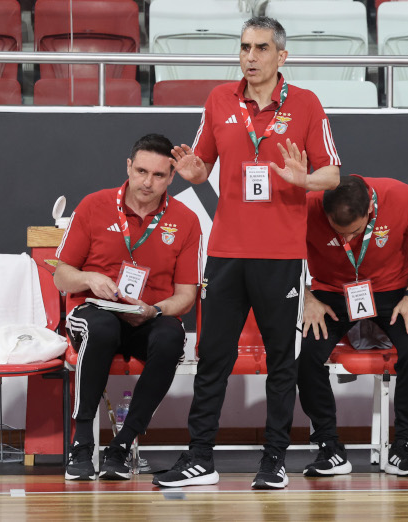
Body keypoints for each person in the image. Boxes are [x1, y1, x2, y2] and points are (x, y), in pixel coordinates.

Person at [152, 16, 340, 490]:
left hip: (280, 256)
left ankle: (274, 459)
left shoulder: (306, 104)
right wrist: (194, 170)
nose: (250, 57)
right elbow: (201, 165)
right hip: (226, 253)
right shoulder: (219, 98)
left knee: (282, 362)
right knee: (213, 358)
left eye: (260, 48)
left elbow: (333, 174)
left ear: (282, 55)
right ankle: (200, 457)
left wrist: (303, 179)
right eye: (244, 48)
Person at [55, 133, 201, 481]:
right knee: (102, 328)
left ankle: (121, 446)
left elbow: (186, 295)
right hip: (94, 311)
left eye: (159, 175)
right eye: (141, 171)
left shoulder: (186, 220)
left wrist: (155, 310)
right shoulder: (93, 205)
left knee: (171, 337)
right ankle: (81, 442)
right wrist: (89, 278)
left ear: (172, 176)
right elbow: (62, 275)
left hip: (147, 314)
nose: (148, 182)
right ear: (128, 167)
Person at [299, 175, 408, 477]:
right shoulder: (307, 205)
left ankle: (404, 446)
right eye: (339, 233)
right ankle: (328, 446)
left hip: (393, 290)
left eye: (355, 232)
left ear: (371, 210)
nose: (349, 240)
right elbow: (280, 253)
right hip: (331, 292)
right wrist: (306, 298)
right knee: (306, 353)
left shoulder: (401, 196)